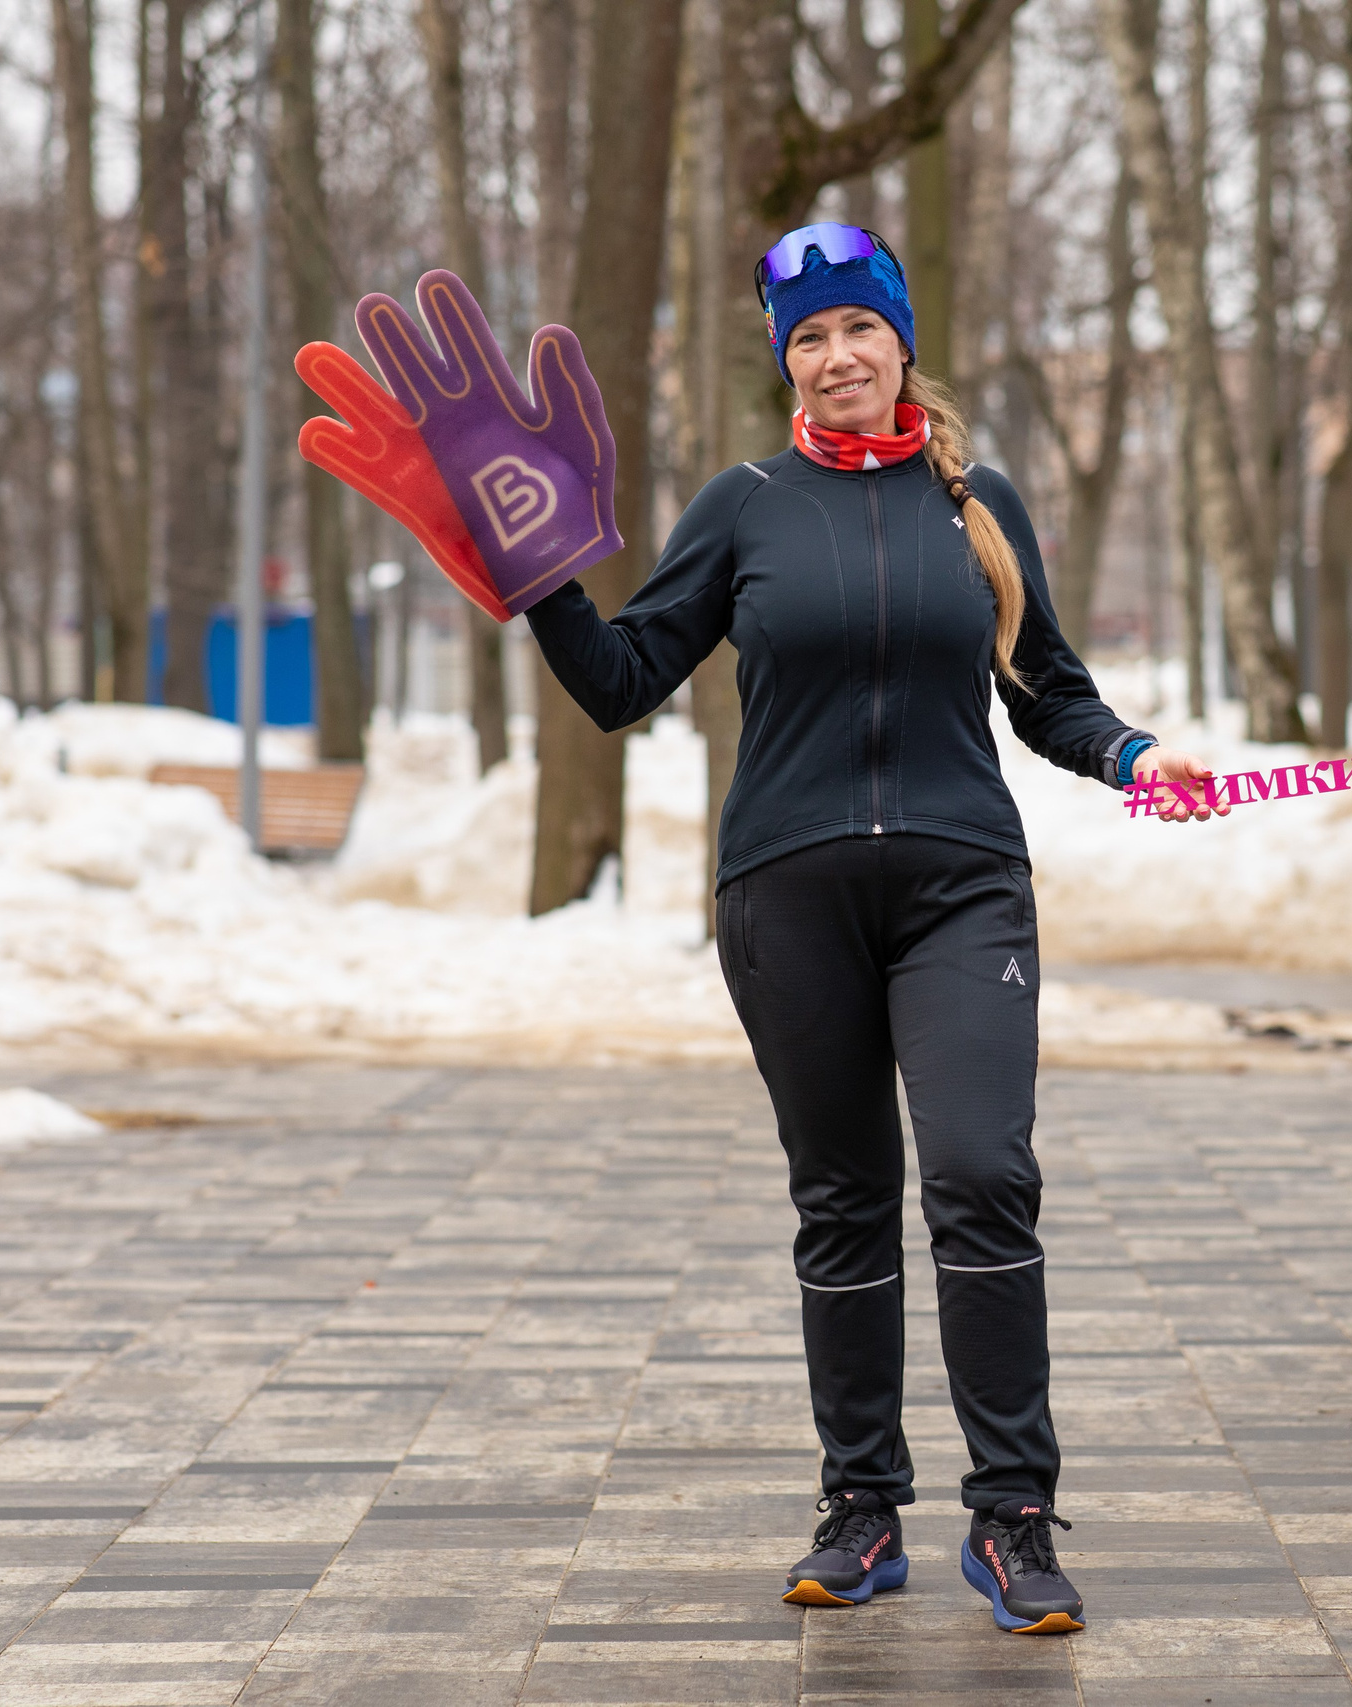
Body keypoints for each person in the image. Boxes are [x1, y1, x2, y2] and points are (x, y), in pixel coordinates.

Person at [518, 224, 1221, 1635]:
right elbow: (622, 679)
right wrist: (534, 573)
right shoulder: (746, 504)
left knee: (979, 1172)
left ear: (902, 342)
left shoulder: (979, 499)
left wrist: (1135, 756)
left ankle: (1015, 1516)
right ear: (788, 362)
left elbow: (1047, 691)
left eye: (857, 330)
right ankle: (861, 1506)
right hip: (789, 893)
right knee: (841, 1199)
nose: (836, 357)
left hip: (963, 886)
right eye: (808, 340)